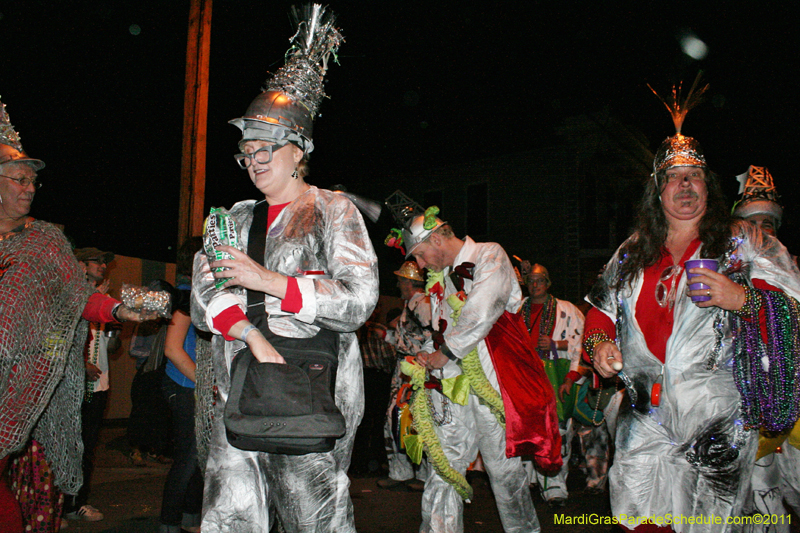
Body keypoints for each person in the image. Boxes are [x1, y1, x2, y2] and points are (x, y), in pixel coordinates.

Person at [190, 7, 378, 532]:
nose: (253, 161)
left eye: (264, 149)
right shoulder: (233, 217)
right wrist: (250, 334)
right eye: (245, 153)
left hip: (312, 394)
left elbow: (358, 301)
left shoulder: (333, 210)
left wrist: (265, 281)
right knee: (228, 518)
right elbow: (204, 299)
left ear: (299, 151)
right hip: (238, 393)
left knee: (315, 520)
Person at [585, 111, 800, 531]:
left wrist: (742, 298)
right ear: (658, 191)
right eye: (673, 177)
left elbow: (793, 307)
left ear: (708, 186)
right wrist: (599, 345)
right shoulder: (632, 251)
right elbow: (600, 311)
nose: (684, 184)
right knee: (637, 519)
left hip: (718, 415)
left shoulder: (744, 240)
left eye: (694, 176)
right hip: (644, 411)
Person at [0, 97, 150, 532]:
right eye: (19, 179)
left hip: (19, 391)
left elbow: (76, 295)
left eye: (33, 181)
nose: (30, 188)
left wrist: (119, 309)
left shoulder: (44, 242)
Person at [408, 208, 551, 533]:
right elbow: (442, 328)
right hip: (451, 384)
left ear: (436, 239)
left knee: (503, 471)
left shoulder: (490, 254)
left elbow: (482, 310)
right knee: (444, 465)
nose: (419, 264)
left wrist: (445, 353)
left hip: (494, 382)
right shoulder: (440, 278)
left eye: (419, 254)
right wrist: (428, 353)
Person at [733, 165, 800, 532]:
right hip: (745, 401)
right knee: (758, 492)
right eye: (752, 223)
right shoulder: (724, 273)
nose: (760, 231)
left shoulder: (791, 272)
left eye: (767, 224)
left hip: (792, 399)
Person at [516, 262, 588, 505]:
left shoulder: (567, 310)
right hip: (524, 376)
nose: (535, 285)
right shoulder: (518, 308)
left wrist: (556, 347)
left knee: (557, 430)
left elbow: (581, 346)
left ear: (548, 283)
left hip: (555, 376)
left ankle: (555, 486)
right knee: (524, 429)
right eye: (531, 281)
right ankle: (527, 480)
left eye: (540, 281)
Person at [62, 247, 120, 523]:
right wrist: (82, 365)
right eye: (97, 261)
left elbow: (114, 347)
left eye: (104, 262)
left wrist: (115, 324)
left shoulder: (103, 300)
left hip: (99, 384)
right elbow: (59, 340)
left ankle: (76, 502)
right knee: (69, 445)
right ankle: (64, 504)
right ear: (81, 265)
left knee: (87, 445)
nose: (103, 266)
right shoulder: (71, 296)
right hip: (73, 384)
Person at [160, 238, 204, 533]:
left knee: (198, 458)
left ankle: (190, 517)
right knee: (188, 459)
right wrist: (204, 382)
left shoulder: (197, 293)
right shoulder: (186, 295)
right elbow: (172, 349)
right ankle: (169, 522)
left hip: (192, 385)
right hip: (184, 384)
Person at [377, 260, 432, 491]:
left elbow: (432, 337)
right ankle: (401, 471)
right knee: (396, 418)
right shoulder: (409, 305)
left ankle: (424, 475)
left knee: (417, 420)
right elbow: (407, 341)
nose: (398, 285)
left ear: (409, 282)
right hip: (403, 370)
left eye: (401, 280)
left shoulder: (423, 305)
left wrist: (423, 361)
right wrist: (387, 336)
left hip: (416, 370)